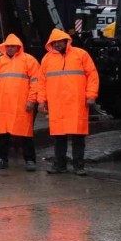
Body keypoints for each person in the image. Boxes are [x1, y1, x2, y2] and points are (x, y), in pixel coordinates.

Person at [38, 29, 99, 176]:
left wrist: (91, 95)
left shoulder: (81, 54)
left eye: (59, 41)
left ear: (66, 41)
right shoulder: (47, 59)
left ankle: (78, 165)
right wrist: (41, 101)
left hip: (76, 102)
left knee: (78, 136)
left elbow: (92, 75)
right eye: (54, 42)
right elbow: (41, 82)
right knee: (59, 136)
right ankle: (60, 165)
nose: (57, 44)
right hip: (57, 103)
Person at [0, 34, 40, 171]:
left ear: (18, 47)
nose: (10, 48)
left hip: (22, 104)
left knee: (25, 133)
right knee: (3, 133)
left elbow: (36, 82)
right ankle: (1, 159)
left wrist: (31, 100)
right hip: (4, 104)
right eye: (8, 46)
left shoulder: (29, 60)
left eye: (13, 46)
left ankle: (30, 160)